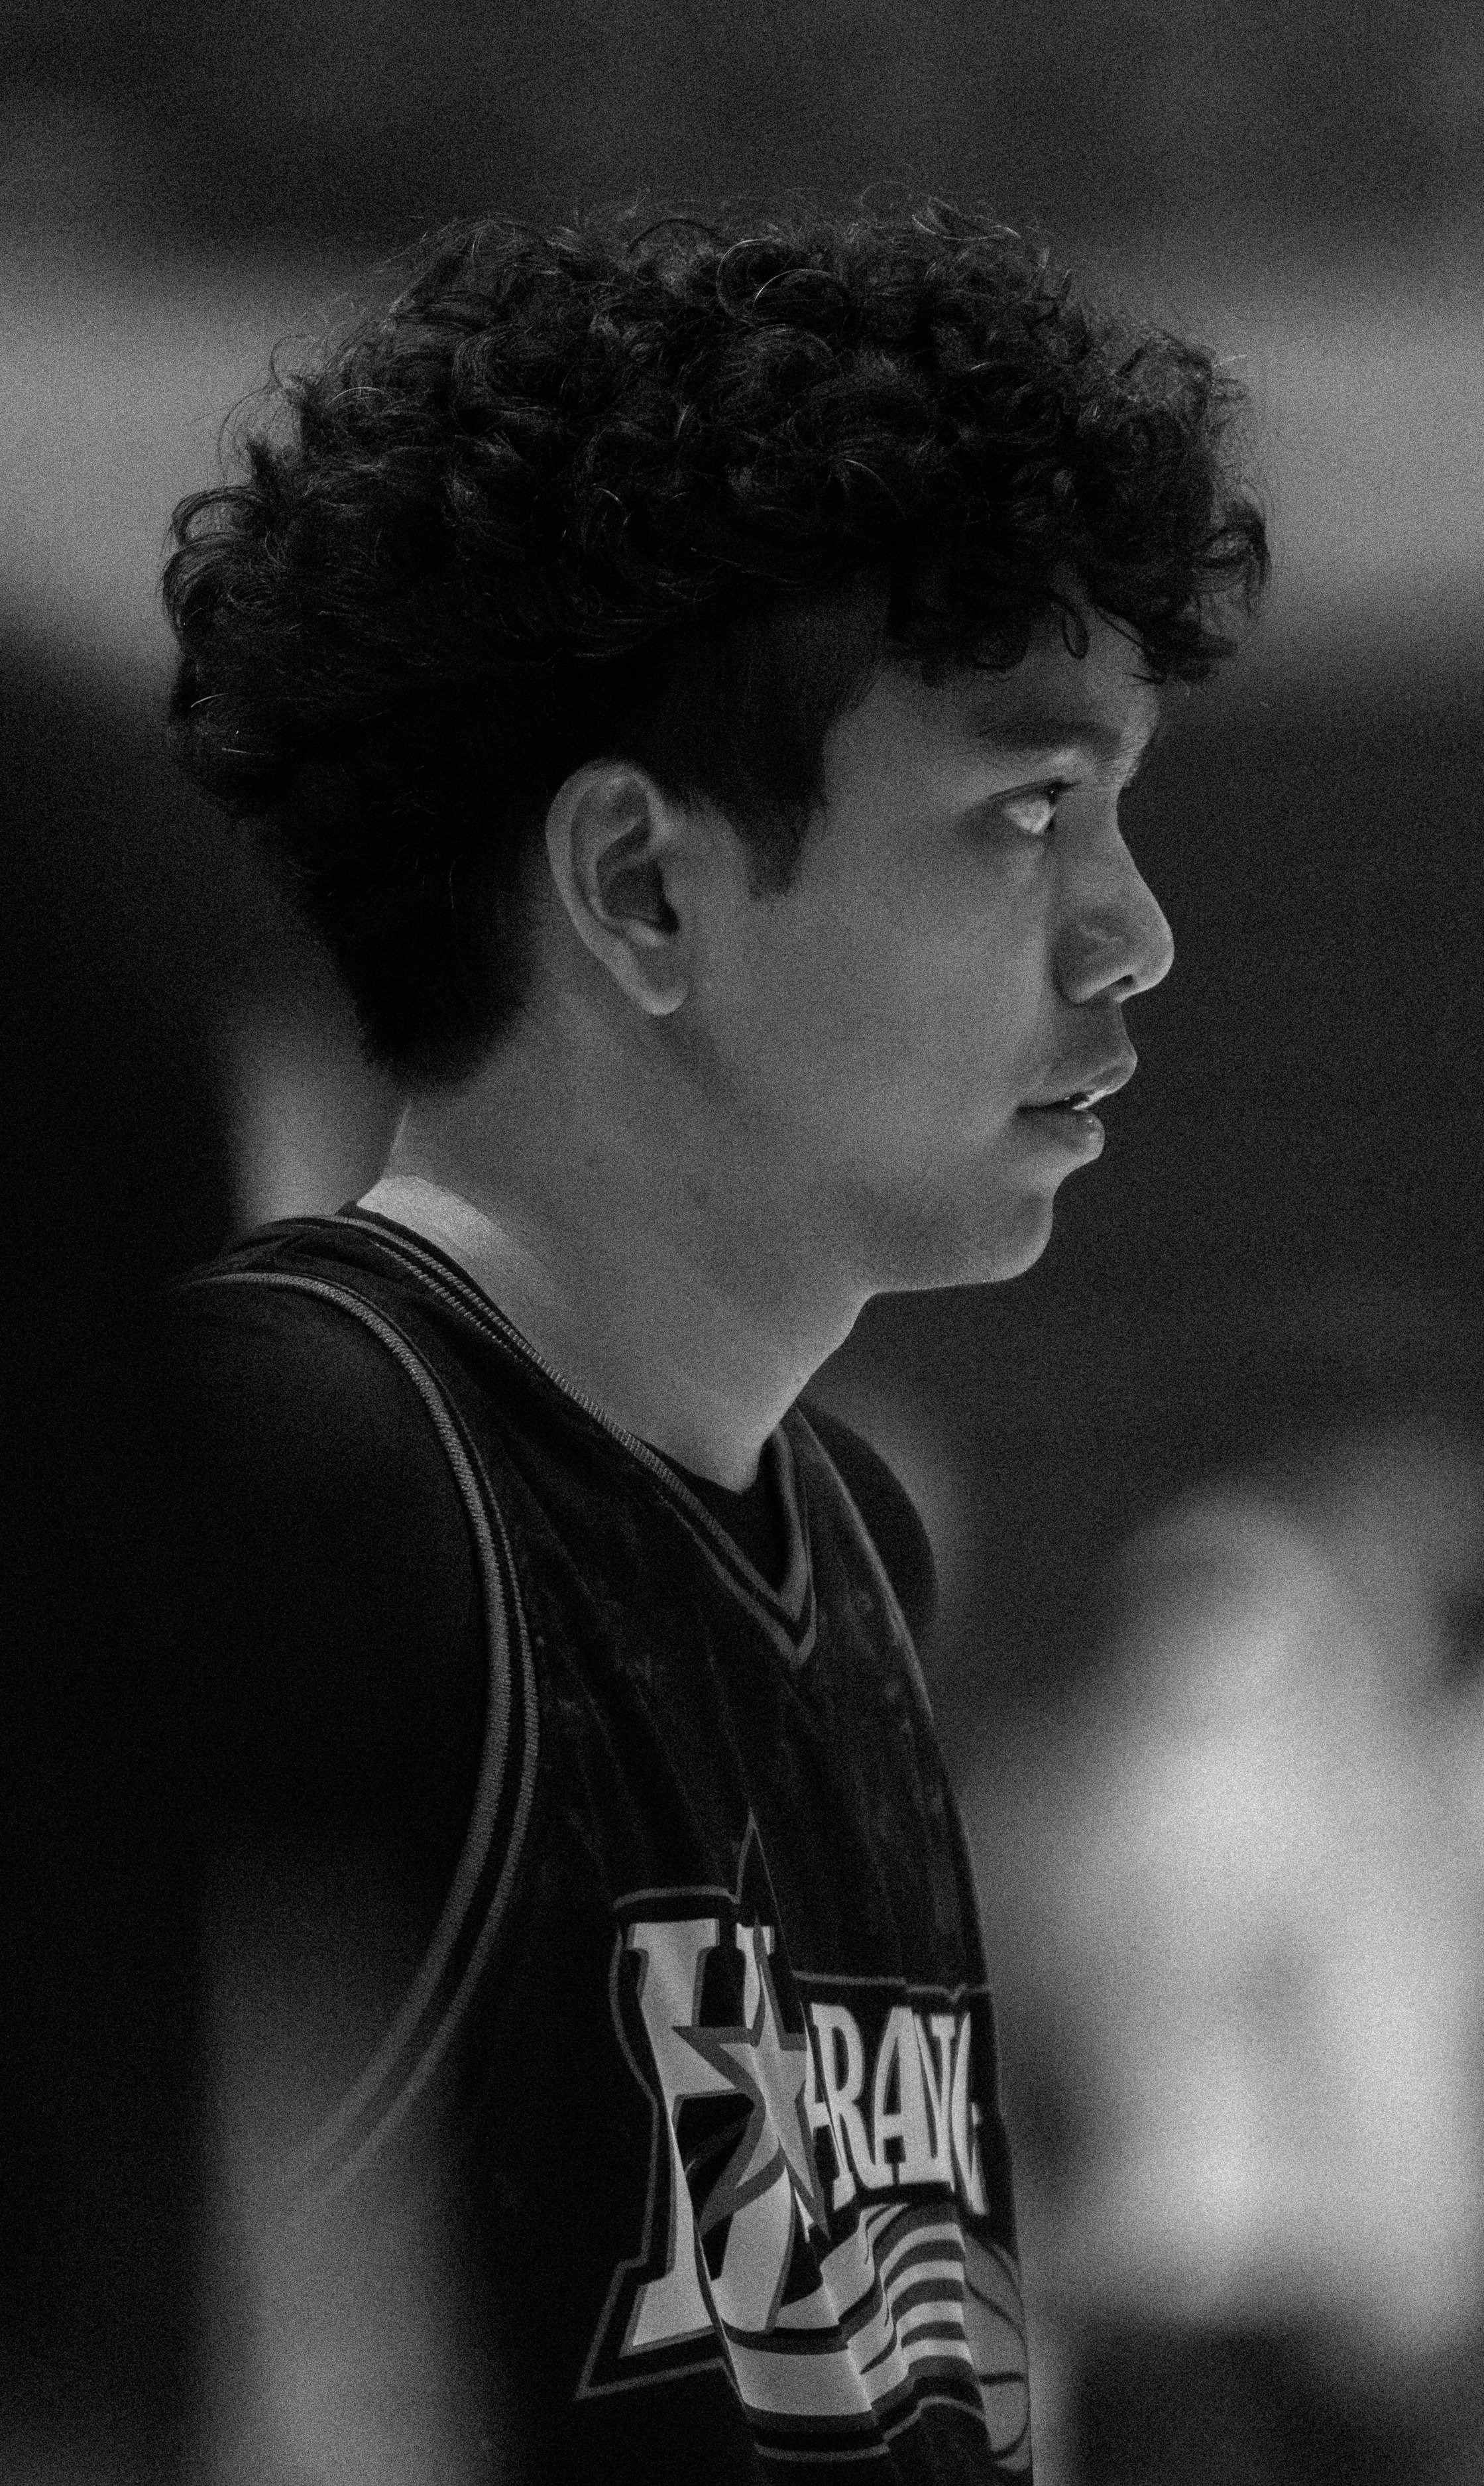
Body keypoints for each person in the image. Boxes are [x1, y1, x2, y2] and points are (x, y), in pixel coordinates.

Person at [160, 200, 1267, 2480]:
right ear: (642, 889)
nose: (1134, 933)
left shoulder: (846, 1538)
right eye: (1026, 811)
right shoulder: (303, 1482)